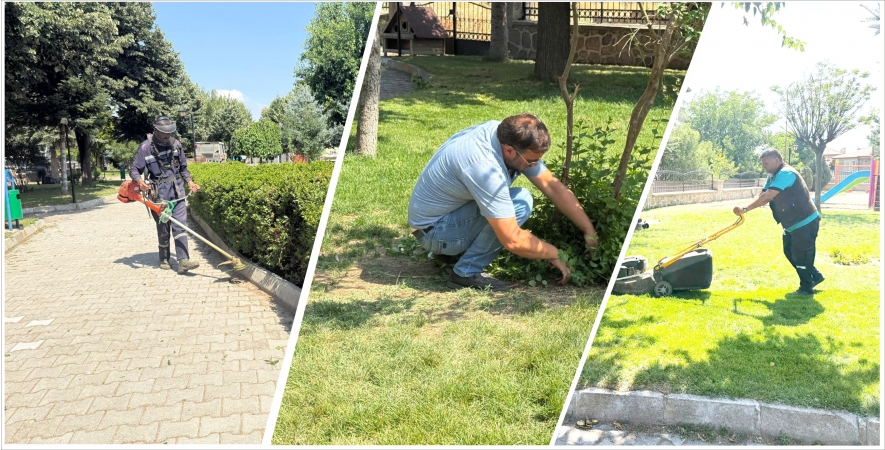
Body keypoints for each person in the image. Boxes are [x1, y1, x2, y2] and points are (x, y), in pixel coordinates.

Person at [408, 113, 598, 292]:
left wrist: (588, 230)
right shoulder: (484, 167)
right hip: (436, 233)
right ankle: (465, 273)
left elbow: (553, 187)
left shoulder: (499, 134)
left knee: (511, 202)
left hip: (443, 218)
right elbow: (512, 239)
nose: (534, 166)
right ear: (509, 150)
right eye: (531, 162)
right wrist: (556, 253)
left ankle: (452, 254)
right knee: (520, 202)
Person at [733, 149, 824, 295]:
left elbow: (769, 195)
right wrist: (747, 207)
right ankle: (815, 275)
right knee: (789, 251)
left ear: (776, 160)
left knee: (801, 255)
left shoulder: (786, 174)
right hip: (792, 223)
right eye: (763, 163)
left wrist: (745, 208)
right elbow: (763, 194)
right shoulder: (773, 176)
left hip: (805, 221)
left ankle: (806, 288)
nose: (764, 166)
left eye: (766, 163)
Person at [130, 116, 202, 273]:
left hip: (177, 189)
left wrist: (190, 182)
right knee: (163, 226)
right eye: (164, 133)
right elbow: (134, 169)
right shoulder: (145, 148)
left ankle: (183, 260)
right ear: (156, 130)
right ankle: (163, 257)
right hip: (158, 193)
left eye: (169, 133)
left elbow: (183, 168)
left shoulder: (176, 145)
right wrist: (138, 180)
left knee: (180, 223)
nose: (167, 136)